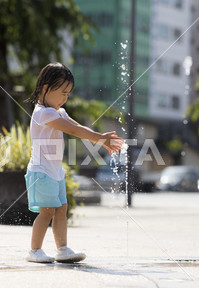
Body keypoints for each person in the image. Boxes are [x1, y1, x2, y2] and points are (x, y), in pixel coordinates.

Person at [24, 62, 124, 263]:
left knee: (61, 208)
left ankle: (62, 249)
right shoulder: (42, 113)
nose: (65, 98)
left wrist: (98, 136)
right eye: (62, 92)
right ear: (45, 89)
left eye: (68, 93)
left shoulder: (58, 112)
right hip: (41, 171)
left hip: (54, 171)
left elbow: (75, 125)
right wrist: (99, 138)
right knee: (47, 212)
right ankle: (34, 250)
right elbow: (72, 131)